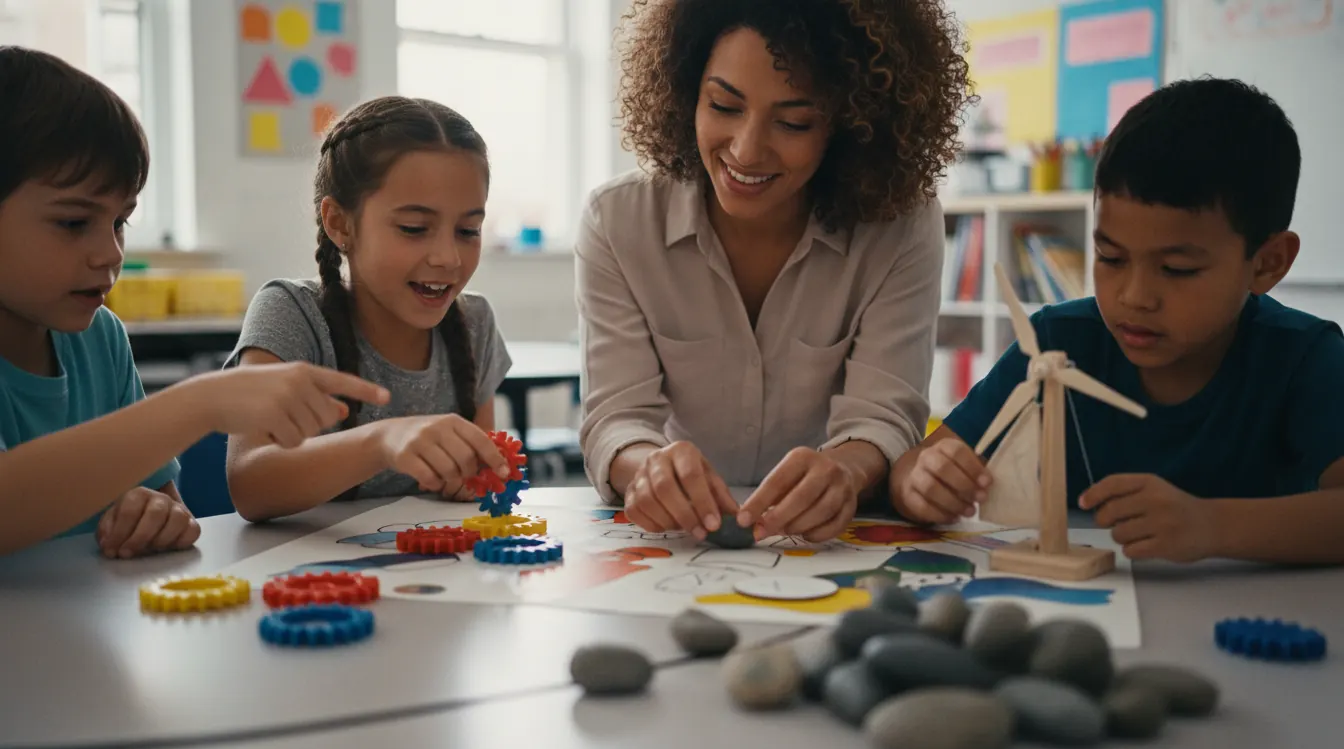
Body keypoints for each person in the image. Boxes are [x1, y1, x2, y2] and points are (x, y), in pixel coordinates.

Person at [890, 78, 1344, 565]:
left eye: (1177, 269)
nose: (1134, 297)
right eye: (1110, 257)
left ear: (1268, 262)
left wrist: (1210, 526)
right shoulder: (1054, 343)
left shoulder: (1305, 357)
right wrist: (921, 483)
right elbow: (915, 465)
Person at [577, 0, 972, 543]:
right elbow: (616, 417)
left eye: (793, 122)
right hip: (680, 540)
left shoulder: (899, 227)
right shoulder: (619, 222)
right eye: (723, 105)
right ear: (687, 88)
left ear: (852, 124)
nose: (746, 149)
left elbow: (883, 416)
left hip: (828, 543)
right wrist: (646, 466)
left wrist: (845, 472)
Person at [0, 47, 388, 558]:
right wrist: (202, 402)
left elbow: (165, 505)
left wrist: (158, 516)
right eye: (74, 223)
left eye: (120, 222)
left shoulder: (101, 336)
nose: (110, 252)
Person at [224, 96, 516, 520]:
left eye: (468, 230)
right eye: (414, 229)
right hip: (310, 579)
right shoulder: (291, 313)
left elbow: (480, 478)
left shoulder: (475, 322)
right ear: (340, 224)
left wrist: (473, 476)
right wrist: (383, 442)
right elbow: (250, 484)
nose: (448, 258)